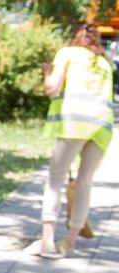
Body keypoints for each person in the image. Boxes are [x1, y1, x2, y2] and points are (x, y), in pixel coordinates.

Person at [32, 23, 114, 258]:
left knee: (55, 180)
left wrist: (47, 72)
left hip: (73, 124)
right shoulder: (104, 63)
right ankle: (69, 242)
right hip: (101, 127)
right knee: (85, 183)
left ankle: (47, 241)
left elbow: (52, 88)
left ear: (75, 37)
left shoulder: (67, 53)